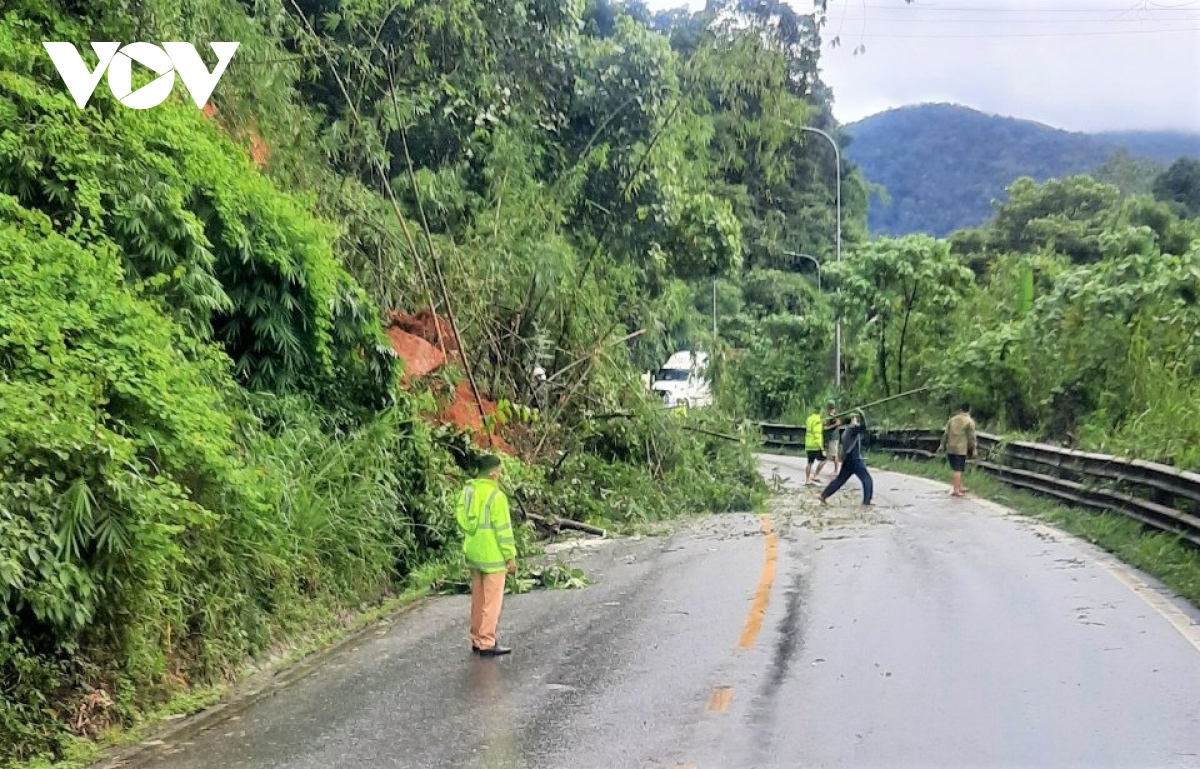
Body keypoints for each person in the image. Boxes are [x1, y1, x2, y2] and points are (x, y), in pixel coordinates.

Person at [456, 454, 517, 657]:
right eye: (498, 471)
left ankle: (476, 638)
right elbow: (504, 530)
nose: (499, 475)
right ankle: (487, 641)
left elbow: (461, 518)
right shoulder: (496, 496)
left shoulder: (468, 491)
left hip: (474, 553)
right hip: (493, 556)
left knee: (478, 599)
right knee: (492, 601)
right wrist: (510, 557)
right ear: (493, 473)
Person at [819, 410, 874, 506]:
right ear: (852, 421)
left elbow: (861, 428)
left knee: (840, 480)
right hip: (854, 459)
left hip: (848, 459)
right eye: (855, 419)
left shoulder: (846, 431)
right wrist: (862, 413)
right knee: (867, 479)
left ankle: (824, 495)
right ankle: (866, 502)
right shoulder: (852, 430)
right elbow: (864, 426)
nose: (856, 421)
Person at [939, 403, 978, 497]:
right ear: (969, 409)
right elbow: (971, 437)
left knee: (957, 468)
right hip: (960, 448)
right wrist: (974, 448)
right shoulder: (969, 421)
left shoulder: (952, 420)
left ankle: (959, 486)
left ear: (960, 410)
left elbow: (946, 434)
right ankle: (956, 489)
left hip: (950, 447)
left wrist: (942, 445)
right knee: (958, 469)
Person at [804, 405, 828, 485]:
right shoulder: (818, 421)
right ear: (820, 411)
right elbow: (817, 434)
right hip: (815, 445)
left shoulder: (809, 418)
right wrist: (821, 447)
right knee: (824, 459)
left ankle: (807, 480)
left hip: (808, 444)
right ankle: (816, 475)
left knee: (809, 463)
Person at [823, 401, 842, 478]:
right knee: (832, 454)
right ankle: (835, 470)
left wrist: (828, 428)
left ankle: (836, 470)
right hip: (831, 437)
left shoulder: (834, 415)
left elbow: (838, 423)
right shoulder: (830, 415)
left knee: (834, 454)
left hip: (834, 437)